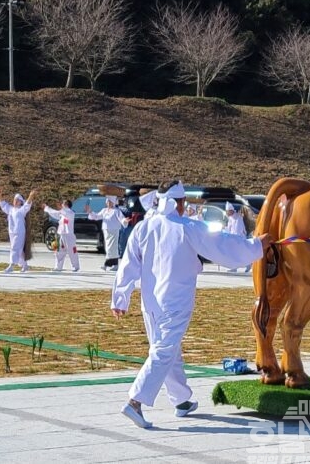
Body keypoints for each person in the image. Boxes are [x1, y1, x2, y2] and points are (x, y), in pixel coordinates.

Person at [111, 181, 269, 429]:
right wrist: (257, 245)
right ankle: (135, 402)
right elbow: (222, 244)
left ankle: (181, 400)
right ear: (179, 203)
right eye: (184, 202)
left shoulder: (144, 227)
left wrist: (120, 297)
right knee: (163, 351)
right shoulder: (187, 227)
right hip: (175, 300)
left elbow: (128, 263)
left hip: (150, 302)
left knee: (168, 351)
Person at [88, 195, 130, 271]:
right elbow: (97, 216)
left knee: (112, 248)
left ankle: (106, 264)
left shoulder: (116, 211)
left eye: (110, 201)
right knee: (108, 248)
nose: (108, 203)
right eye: (107, 201)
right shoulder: (104, 210)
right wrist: (90, 212)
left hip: (114, 230)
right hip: (106, 230)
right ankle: (115, 265)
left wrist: (125, 221)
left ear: (113, 203)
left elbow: (121, 219)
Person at [0, 190, 36, 273]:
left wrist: (31, 195)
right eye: (14, 199)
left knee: (14, 248)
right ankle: (25, 265)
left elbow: (27, 204)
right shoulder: (10, 209)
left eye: (17, 200)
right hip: (12, 232)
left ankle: (11, 265)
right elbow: (3, 204)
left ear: (20, 202)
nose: (15, 201)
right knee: (18, 249)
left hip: (19, 232)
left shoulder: (22, 210)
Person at [43, 199, 80, 272]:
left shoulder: (71, 213)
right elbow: (54, 213)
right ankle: (58, 267)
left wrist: (61, 208)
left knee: (72, 251)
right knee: (59, 251)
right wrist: (47, 208)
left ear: (67, 205)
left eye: (63, 203)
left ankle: (75, 266)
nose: (62, 204)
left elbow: (65, 212)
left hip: (69, 235)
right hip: (61, 234)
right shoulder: (61, 213)